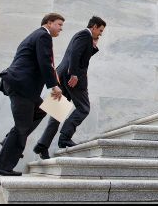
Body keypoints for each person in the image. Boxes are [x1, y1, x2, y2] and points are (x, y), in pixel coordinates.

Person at [0, 13, 64, 176]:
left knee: (42, 110)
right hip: (21, 86)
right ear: (49, 23)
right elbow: (44, 62)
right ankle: (1, 166)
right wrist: (54, 86)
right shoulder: (43, 36)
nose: (61, 29)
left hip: (23, 87)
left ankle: (9, 140)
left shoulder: (37, 36)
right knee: (22, 127)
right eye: (59, 25)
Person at [33, 16, 106, 159]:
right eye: (101, 30)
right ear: (94, 27)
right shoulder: (84, 34)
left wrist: (94, 45)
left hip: (62, 75)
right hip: (72, 77)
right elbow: (75, 54)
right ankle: (65, 137)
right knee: (84, 108)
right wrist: (74, 74)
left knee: (57, 113)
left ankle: (42, 145)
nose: (101, 34)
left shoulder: (85, 36)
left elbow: (81, 55)